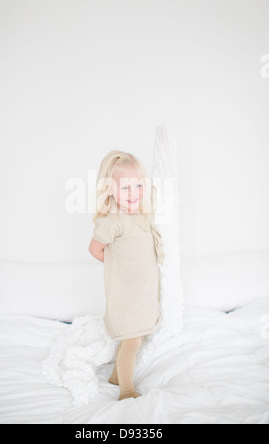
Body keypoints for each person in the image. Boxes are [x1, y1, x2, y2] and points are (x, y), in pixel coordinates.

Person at [89, 150, 164, 400]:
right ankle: (126, 390)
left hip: (143, 294)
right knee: (131, 343)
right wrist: (117, 266)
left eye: (138, 186)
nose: (134, 194)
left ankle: (114, 377)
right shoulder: (114, 221)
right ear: (110, 189)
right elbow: (95, 248)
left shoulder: (141, 214)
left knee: (136, 339)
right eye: (125, 189)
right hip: (126, 296)